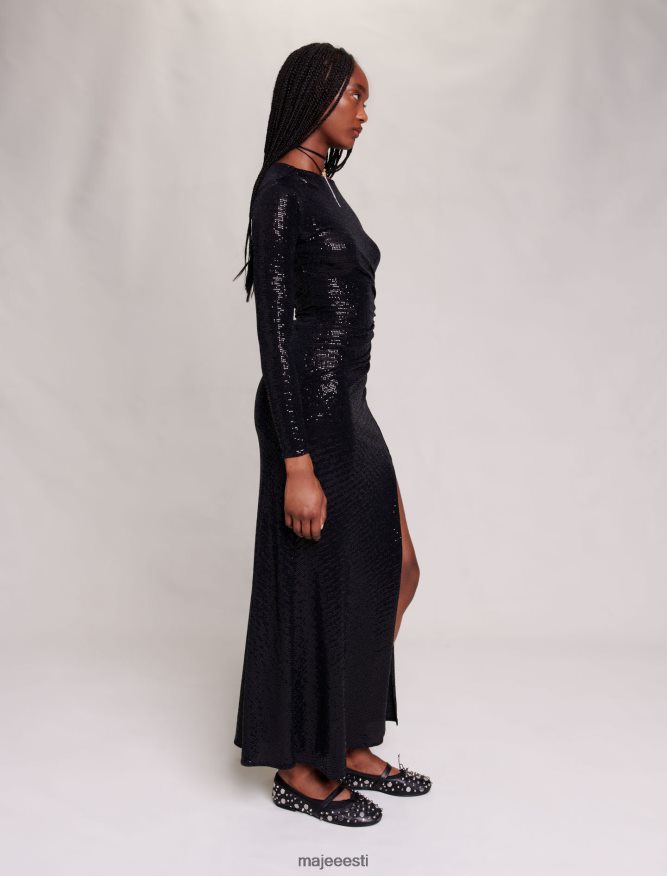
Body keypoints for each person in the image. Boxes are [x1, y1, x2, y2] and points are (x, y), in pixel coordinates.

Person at [232, 42, 431, 827]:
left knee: (393, 567)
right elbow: (274, 334)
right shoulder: (281, 189)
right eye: (353, 94)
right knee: (314, 586)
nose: (363, 111)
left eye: (365, 96)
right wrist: (296, 463)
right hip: (305, 415)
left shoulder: (321, 185)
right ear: (314, 93)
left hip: (346, 404)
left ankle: (347, 737)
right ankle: (300, 767)